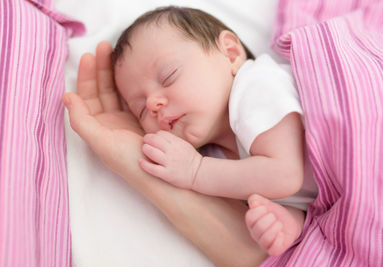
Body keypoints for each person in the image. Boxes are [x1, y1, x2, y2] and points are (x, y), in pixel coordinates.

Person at [62, 6, 315, 266]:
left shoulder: (256, 86)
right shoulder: (220, 158)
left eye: (169, 76)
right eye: (140, 110)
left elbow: (285, 174)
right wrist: (287, 223)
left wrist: (196, 171)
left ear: (230, 54)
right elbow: (310, 195)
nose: (153, 104)